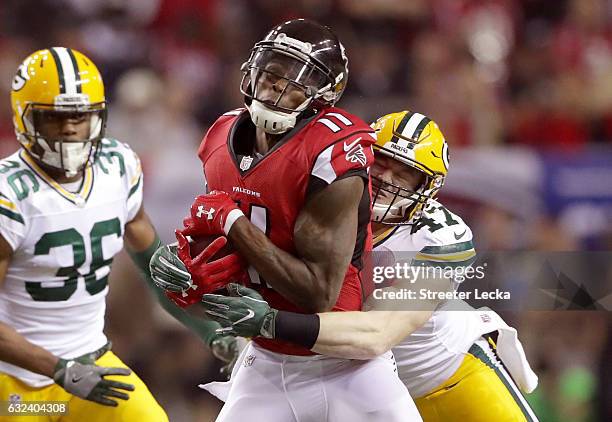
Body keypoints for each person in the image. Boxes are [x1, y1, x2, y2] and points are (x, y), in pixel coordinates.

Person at [151, 19, 421, 422]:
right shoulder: (221, 138)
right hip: (266, 362)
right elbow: (235, 267)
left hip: (348, 369)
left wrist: (233, 226)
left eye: (293, 77)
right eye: (271, 69)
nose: (275, 83)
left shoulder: (331, 151)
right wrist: (184, 267)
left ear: (322, 94)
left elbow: (317, 295)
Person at [200, 111, 541, 421]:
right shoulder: (312, 202)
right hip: (343, 382)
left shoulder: (437, 238)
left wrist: (271, 323)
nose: (387, 180)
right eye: (382, 162)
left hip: (445, 376)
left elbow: (377, 334)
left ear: (427, 190)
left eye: (406, 175)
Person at [0, 48, 235, 421]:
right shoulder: (9, 194)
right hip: (17, 382)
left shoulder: (117, 166)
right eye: (54, 118)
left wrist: (207, 330)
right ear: (24, 119)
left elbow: (157, 268)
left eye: (80, 115)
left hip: (93, 364)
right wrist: (59, 369)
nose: (70, 130)